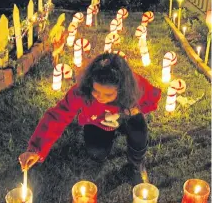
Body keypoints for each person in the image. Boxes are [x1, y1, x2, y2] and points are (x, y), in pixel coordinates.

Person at [19, 53, 161, 185]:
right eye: (96, 91)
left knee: (138, 128)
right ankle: (105, 138)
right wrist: (36, 149)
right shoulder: (81, 92)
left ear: (122, 89)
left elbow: (152, 98)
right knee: (97, 152)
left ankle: (136, 165)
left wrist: (132, 110)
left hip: (126, 118)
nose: (100, 97)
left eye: (108, 94)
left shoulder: (134, 86)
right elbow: (58, 115)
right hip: (97, 123)